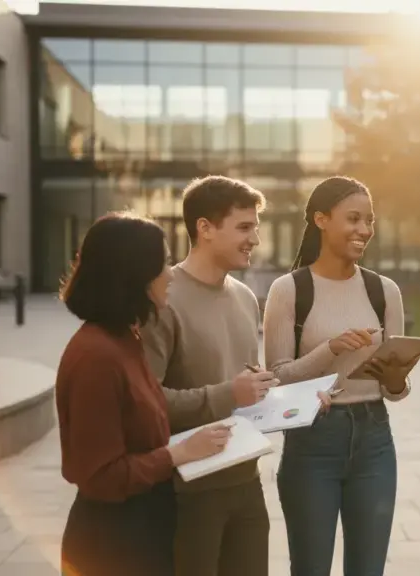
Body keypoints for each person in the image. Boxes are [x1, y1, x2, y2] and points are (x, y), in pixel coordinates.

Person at [56, 212, 233, 576]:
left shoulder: (125, 337)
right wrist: (179, 453)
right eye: (162, 263)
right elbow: (101, 476)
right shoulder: (97, 356)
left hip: (144, 530)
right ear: (132, 274)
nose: (170, 274)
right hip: (113, 544)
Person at [262, 176, 414, 576]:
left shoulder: (385, 291)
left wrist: (396, 378)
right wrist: (331, 348)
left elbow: (394, 391)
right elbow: (277, 379)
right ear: (321, 219)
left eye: (369, 220)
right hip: (312, 442)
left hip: (375, 441)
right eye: (353, 219)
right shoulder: (289, 290)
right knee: (310, 567)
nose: (364, 230)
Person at [139, 176, 278, 576]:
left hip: (246, 483)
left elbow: (244, 388)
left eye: (256, 227)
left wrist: (291, 403)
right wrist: (228, 392)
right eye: (244, 227)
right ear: (205, 228)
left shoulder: (246, 298)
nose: (255, 238)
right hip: (189, 490)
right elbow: (147, 401)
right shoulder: (164, 299)